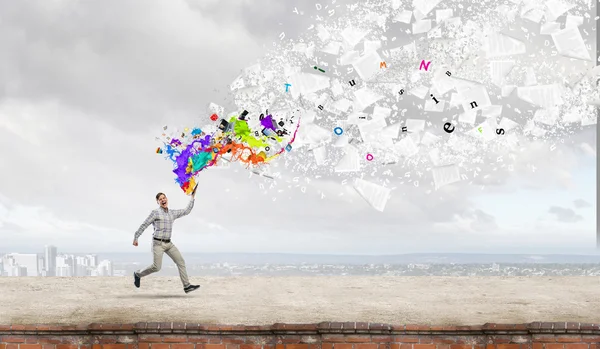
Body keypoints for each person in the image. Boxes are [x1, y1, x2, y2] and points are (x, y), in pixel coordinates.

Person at [132, 184, 200, 294]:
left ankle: (187, 286)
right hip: (158, 244)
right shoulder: (155, 213)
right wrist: (136, 237)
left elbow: (186, 211)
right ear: (158, 202)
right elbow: (144, 224)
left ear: (167, 199)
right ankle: (138, 274)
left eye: (164, 198)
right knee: (156, 267)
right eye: (160, 199)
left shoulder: (172, 213)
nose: (163, 200)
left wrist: (192, 197)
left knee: (181, 262)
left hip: (169, 244)